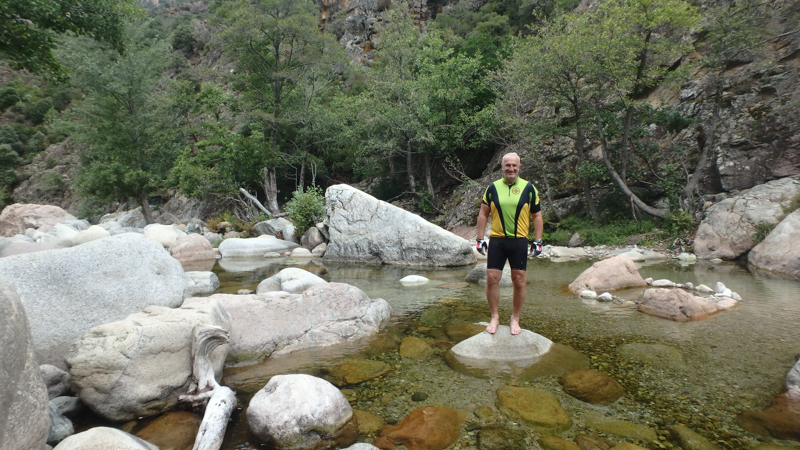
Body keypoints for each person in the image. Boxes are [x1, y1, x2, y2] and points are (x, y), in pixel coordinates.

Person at [475, 152, 543, 335]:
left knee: (519, 281)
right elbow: (483, 214)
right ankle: (494, 317)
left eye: (514, 165)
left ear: (519, 167)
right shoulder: (492, 188)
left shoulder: (529, 188)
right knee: (491, 278)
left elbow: (536, 215)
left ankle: (515, 318)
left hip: (519, 241)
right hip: (497, 240)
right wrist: (480, 239)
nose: (511, 168)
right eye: (507, 165)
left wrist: (538, 241)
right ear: (502, 167)